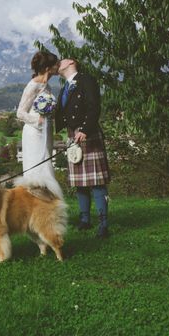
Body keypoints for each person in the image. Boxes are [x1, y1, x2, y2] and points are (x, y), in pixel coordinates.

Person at [55, 58, 111, 238]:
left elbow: (94, 107)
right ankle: (85, 220)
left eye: (60, 61)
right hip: (73, 135)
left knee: (96, 182)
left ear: (70, 62)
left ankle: (103, 224)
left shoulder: (86, 80)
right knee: (79, 182)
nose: (57, 64)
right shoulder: (65, 87)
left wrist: (85, 129)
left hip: (88, 134)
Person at [15, 51, 63, 199]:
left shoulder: (45, 85)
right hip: (34, 132)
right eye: (56, 63)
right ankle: (34, 201)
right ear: (48, 68)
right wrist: (38, 121)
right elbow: (20, 113)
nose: (58, 65)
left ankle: (46, 201)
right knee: (36, 166)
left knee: (46, 163)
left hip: (46, 131)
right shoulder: (33, 85)